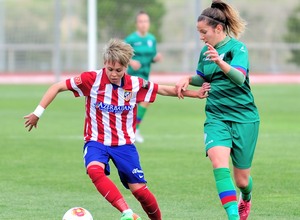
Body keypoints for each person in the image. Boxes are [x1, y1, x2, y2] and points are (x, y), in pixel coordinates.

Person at [24, 39, 210, 220]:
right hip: (96, 140)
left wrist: (196, 94)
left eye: (118, 70)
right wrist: (37, 113)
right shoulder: (91, 79)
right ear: (105, 64)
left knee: (140, 192)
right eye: (110, 69)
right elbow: (57, 86)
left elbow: (163, 90)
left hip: (124, 145)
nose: (113, 74)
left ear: (126, 67)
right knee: (94, 170)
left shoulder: (135, 84)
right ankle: (127, 212)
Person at [175, 1, 260, 220]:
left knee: (242, 180)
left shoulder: (237, 49)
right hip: (217, 117)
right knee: (218, 163)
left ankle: (247, 197)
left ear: (218, 29)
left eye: (204, 32)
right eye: (199, 32)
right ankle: (233, 216)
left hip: (244, 118)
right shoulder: (206, 52)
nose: (201, 37)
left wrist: (221, 63)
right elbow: (203, 77)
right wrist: (187, 79)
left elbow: (239, 78)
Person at [125, 11, 162, 143]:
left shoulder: (151, 39)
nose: (143, 24)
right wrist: (130, 61)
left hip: (145, 77)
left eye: (145, 21)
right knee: (131, 104)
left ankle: (135, 130)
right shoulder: (131, 40)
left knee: (145, 101)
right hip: (131, 78)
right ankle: (130, 130)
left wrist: (155, 58)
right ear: (136, 24)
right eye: (141, 21)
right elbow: (121, 55)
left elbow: (151, 57)